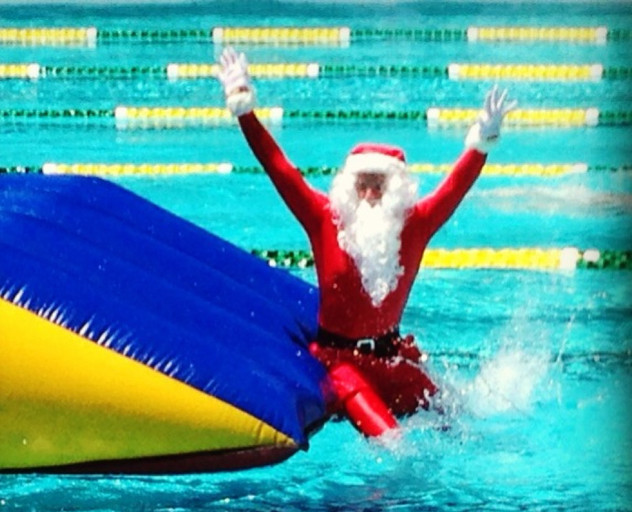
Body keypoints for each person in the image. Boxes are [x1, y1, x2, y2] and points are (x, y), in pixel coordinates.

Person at [217, 47, 517, 438]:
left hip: (391, 359)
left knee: (460, 424)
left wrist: (482, 143)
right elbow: (279, 169)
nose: (372, 192)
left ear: (397, 188)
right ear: (350, 186)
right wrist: (244, 108)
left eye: (380, 183)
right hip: (339, 366)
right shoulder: (323, 217)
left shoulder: (416, 225)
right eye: (364, 183)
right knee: (392, 445)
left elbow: (455, 188)